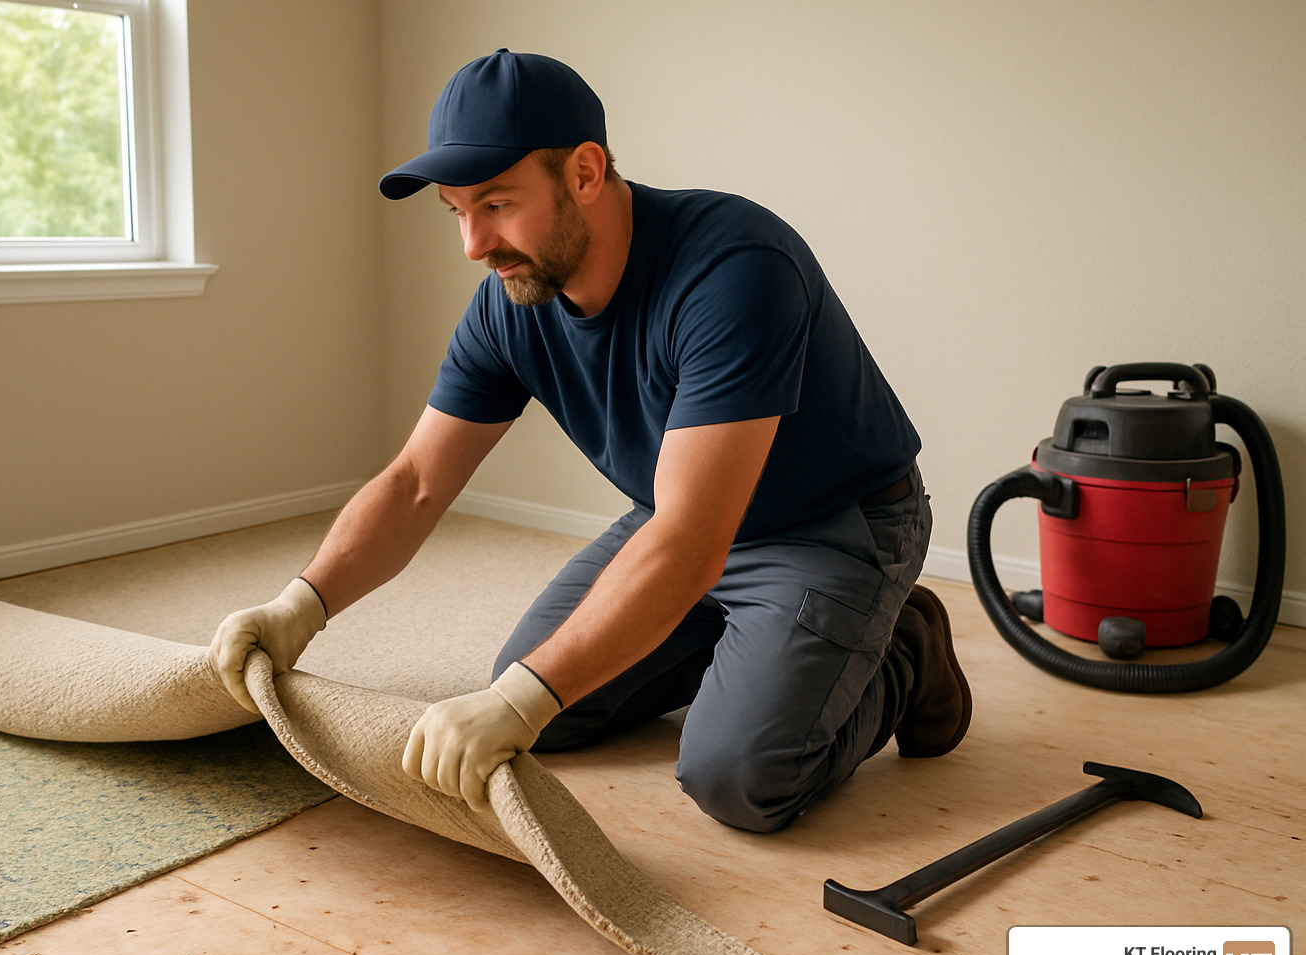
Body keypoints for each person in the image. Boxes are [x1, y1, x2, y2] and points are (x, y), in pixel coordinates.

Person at [210, 49, 970, 834]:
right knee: (548, 706)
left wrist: (517, 703)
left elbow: (689, 536)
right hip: (676, 518)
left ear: (583, 172)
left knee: (739, 777)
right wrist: (300, 607)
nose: (474, 244)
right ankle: (764, 653)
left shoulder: (735, 266)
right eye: (456, 211)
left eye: (498, 204)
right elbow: (416, 483)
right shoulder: (510, 303)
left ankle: (904, 651)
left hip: (829, 529)